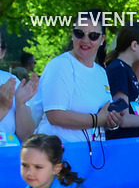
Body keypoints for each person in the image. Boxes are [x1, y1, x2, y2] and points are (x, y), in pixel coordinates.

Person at [35, 10, 123, 143]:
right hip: (60, 153)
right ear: (72, 34)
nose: (85, 40)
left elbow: (103, 114)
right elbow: (55, 115)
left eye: (93, 35)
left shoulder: (100, 72)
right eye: (79, 33)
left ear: (102, 39)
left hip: (93, 154)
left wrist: (112, 121)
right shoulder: (60, 65)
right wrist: (98, 120)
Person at [0, 36, 38, 142]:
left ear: (2, 52)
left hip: (10, 155)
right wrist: (3, 108)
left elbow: (27, 137)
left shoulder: (11, 81)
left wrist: (21, 103)